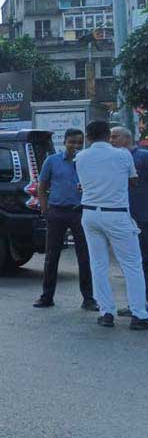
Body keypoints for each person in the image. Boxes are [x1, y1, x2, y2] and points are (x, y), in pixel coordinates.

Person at [75, 120, 148, 330]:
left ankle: (106, 313)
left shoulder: (80, 157)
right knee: (132, 264)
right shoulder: (123, 155)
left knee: (98, 264)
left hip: (90, 213)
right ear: (108, 135)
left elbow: (85, 184)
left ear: (88, 137)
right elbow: (133, 181)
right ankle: (139, 314)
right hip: (116, 214)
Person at [33, 129, 96, 310]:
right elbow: (41, 186)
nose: (76, 146)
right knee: (52, 256)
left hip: (80, 213)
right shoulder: (52, 161)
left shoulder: (86, 161)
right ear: (65, 142)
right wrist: (45, 209)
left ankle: (88, 299)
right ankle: (47, 297)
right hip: (57, 212)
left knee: (85, 256)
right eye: (72, 142)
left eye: (79, 142)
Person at [110, 126, 148, 316]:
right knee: (130, 263)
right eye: (110, 137)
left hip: (143, 217)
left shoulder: (142, 157)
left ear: (127, 138)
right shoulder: (114, 159)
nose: (111, 140)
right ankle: (137, 303)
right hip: (123, 217)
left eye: (115, 137)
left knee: (143, 260)